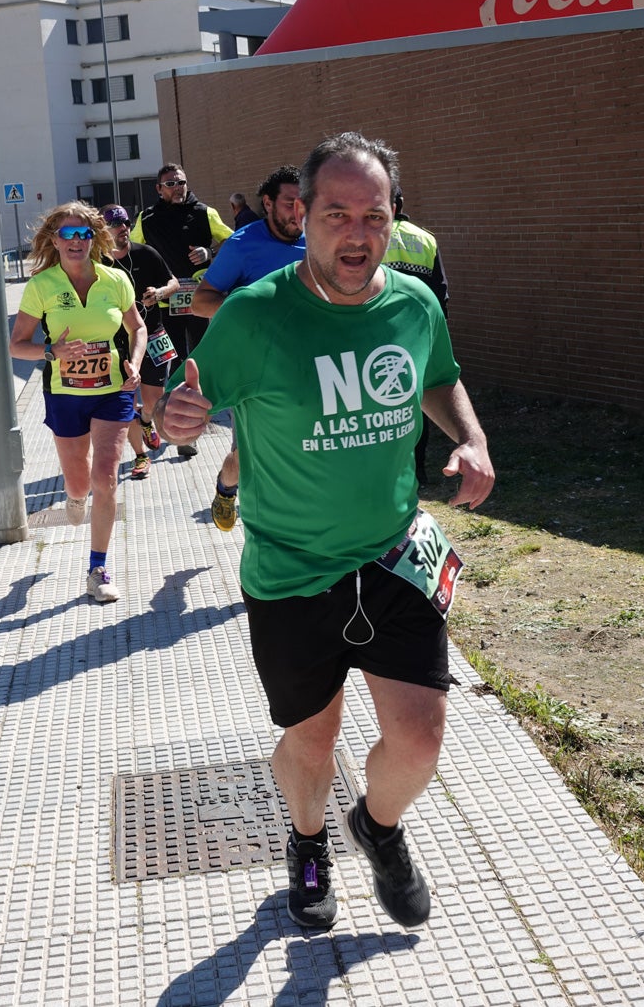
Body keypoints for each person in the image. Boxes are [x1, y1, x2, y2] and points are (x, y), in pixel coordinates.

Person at [154, 132, 495, 930]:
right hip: (290, 569)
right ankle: (306, 840)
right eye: (336, 213)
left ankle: (376, 826)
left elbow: (439, 377)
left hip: (391, 556)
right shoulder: (257, 314)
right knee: (312, 740)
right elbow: (179, 402)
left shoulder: (413, 303)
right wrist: (170, 416)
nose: (356, 231)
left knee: (419, 740)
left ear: (392, 219)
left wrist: (469, 437)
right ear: (302, 216)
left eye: (372, 215)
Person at [9, 201, 146, 602]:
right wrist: (54, 352)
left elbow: (136, 328)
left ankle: (97, 569)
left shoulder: (114, 279)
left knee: (105, 479)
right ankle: (73, 496)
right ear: (55, 240)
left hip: (112, 391)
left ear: (94, 239)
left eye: (83, 234)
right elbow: (17, 346)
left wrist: (135, 363)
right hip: (66, 395)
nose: (76, 241)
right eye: (67, 235)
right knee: (79, 482)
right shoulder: (42, 286)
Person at [191, 165, 305, 531]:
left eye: (305, 202)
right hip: (258, 371)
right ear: (268, 203)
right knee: (247, 454)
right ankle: (227, 489)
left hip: (312, 363)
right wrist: (249, 312)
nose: (298, 212)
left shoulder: (319, 238)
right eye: (289, 203)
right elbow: (201, 301)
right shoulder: (242, 244)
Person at [130, 163, 232, 457]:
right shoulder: (147, 219)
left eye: (181, 182)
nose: (177, 187)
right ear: (159, 189)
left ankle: (190, 430)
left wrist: (210, 252)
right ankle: (170, 427)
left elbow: (232, 240)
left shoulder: (204, 213)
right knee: (172, 367)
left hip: (199, 300)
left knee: (200, 364)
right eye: (170, 183)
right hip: (165, 305)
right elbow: (130, 249)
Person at [100, 204, 180, 480]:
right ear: (103, 230)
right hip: (117, 343)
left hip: (153, 334)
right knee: (126, 399)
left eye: (125, 223)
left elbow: (174, 283)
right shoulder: (97, 263)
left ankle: (146, 421)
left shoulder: (146, 254)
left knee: (153, 400)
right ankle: (140, 455)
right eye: (116, 224)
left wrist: (159, 292)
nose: (123, 228)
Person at [383, 187, 450, 483]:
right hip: (419, 334)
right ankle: (418, 468)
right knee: (419, 400)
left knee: (384, 402)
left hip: (380, 331)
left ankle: (393, 467)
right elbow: (441, 293)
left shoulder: (373, 239)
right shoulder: (425, 238)